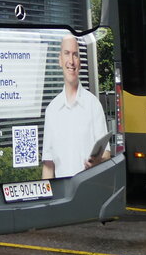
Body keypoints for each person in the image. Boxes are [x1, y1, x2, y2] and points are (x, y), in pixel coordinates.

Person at [41, 34, 109, 179]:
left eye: (75, 55)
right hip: (62, 194)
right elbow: (48, 166)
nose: (71, 61)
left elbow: (106, 153)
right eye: (67, 54)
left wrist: (98, 161)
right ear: (60, 60)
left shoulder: (93, 105)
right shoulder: (51, 110)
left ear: (80, 62)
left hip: (88, 188)